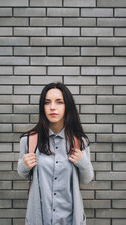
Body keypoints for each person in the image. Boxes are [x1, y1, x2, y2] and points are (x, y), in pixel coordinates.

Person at [17, 82, 94, 225]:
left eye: (59, 102)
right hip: (39, 219)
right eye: (47, 102)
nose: (52, 107)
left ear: (67, 106)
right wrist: (24, 165)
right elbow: (23, 173)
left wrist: (82, 161)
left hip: (70, 220)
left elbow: (87, 178)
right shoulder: (29, 140)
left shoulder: (80, 141)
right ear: (42, 107)